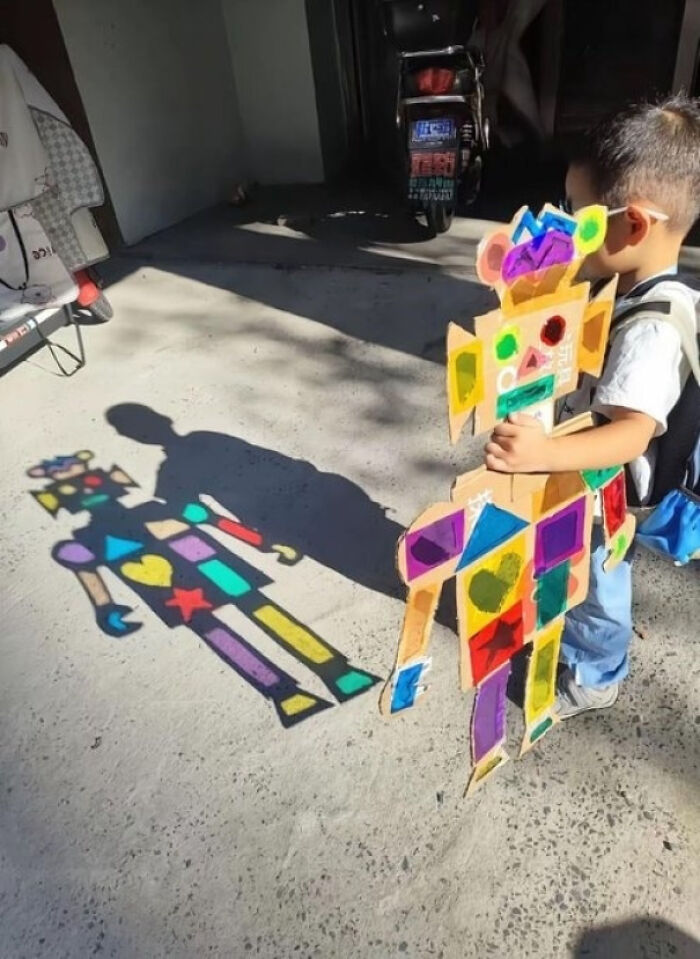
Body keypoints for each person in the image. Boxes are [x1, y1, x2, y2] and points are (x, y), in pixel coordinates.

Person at [483, 95, 700, 717]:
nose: (564, 228)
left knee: (599, 579)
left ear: (632, 226)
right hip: (604, 467)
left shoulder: (649, 332)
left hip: (616, 487)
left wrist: (543, 453)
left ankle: (595, 674)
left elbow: (631, 436)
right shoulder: (643, 287)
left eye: (578, 217)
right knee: (578, 562)